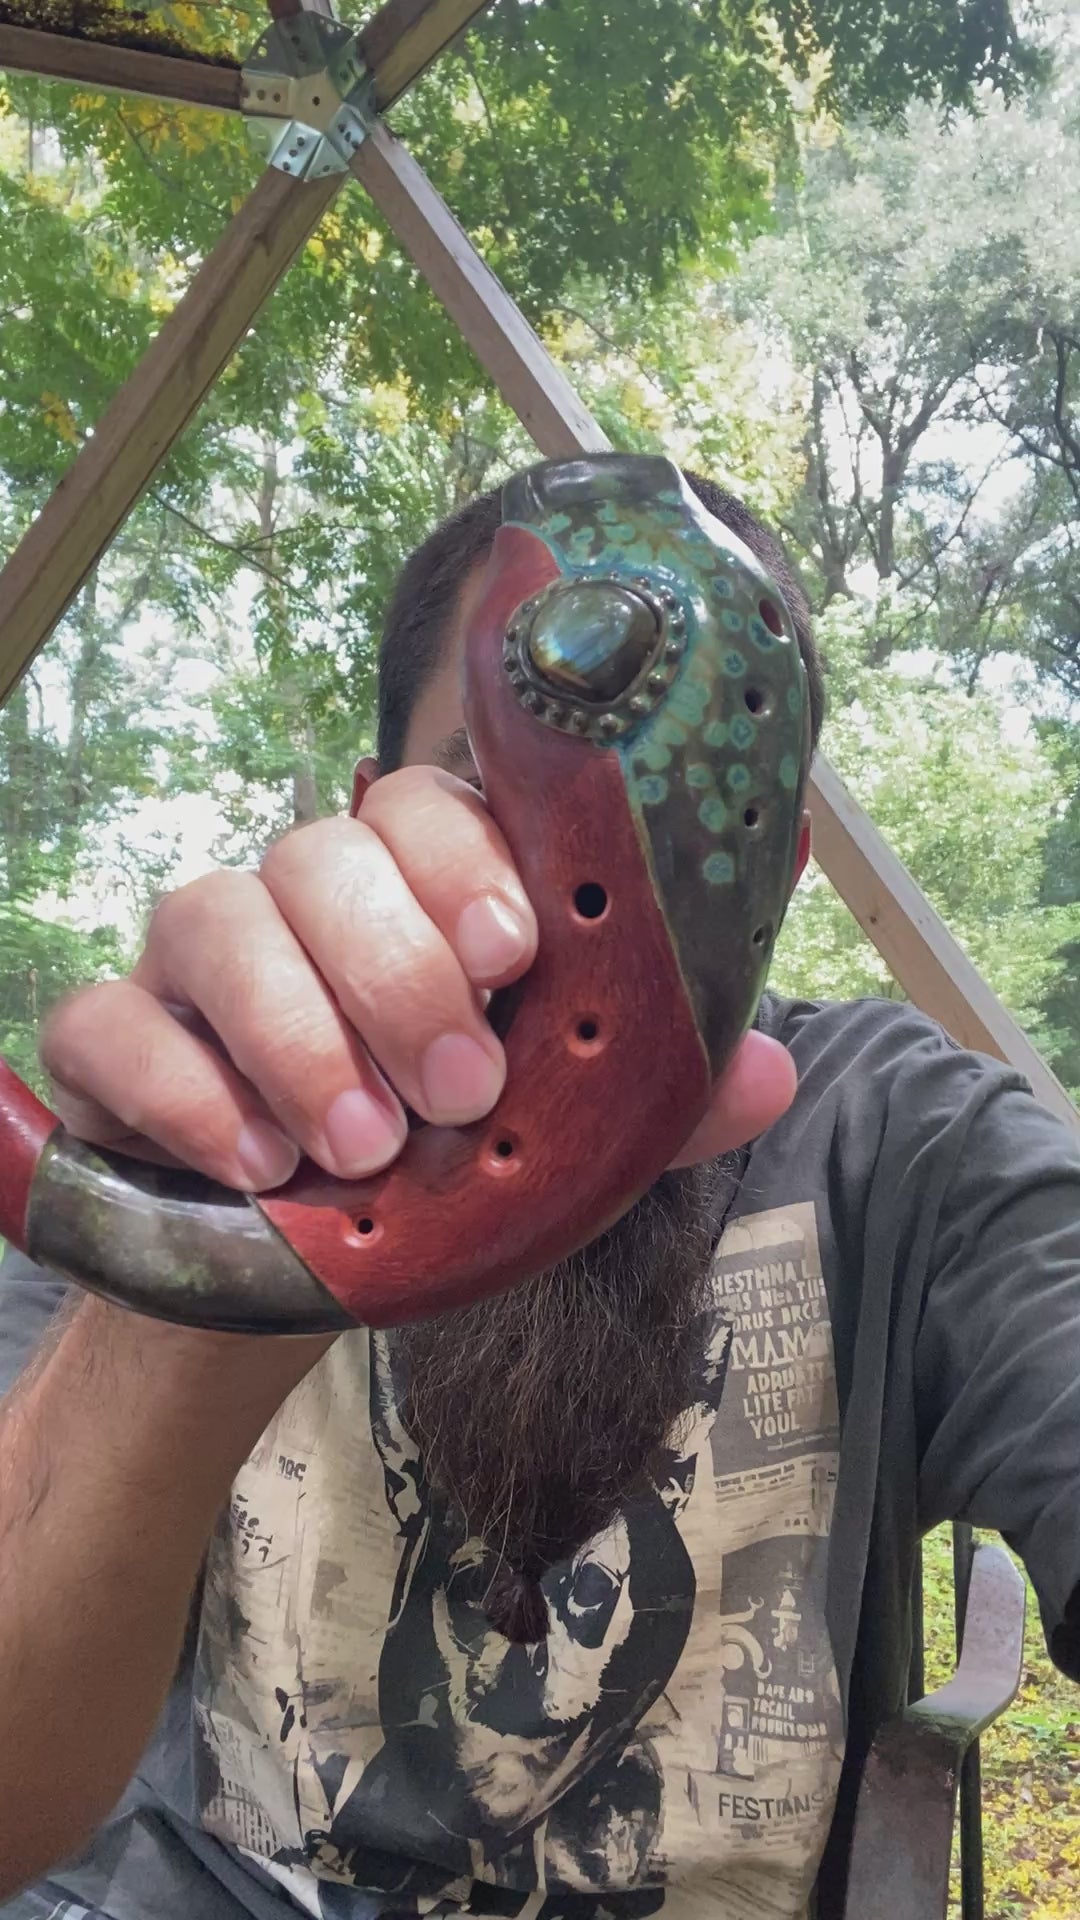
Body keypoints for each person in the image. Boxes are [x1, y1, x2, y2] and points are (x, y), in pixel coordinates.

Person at [0, 470, 1077, 1920]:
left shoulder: (911, 1147)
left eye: (666, 821)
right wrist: (185, 1302)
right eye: (484, 797)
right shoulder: (200, 1119)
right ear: (370, 816)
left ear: (779, 864)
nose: (573, 891)